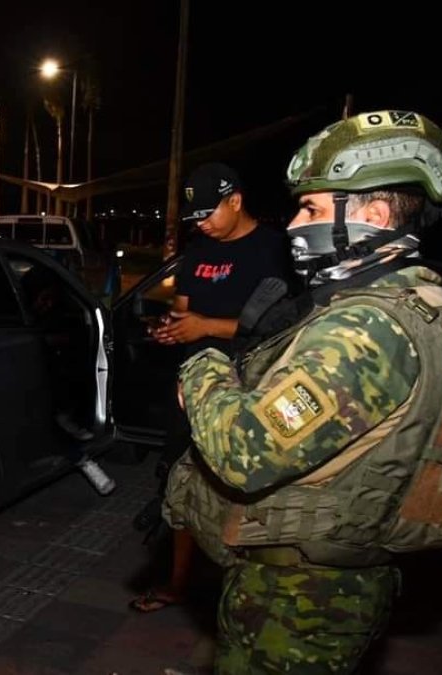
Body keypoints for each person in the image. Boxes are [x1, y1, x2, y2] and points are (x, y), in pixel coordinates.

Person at [165, 110, 442, 673]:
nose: (297, 225)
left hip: (301, 598)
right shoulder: (425, 305)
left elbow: (242, 452)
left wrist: (202, 366)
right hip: (332, 577)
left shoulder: (368, 329)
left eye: (311, 208)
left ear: (372, 216)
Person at [130, 163, 298, 613]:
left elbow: (285, 328)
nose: (200, 223)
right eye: (194, 216)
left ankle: (245, 591)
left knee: (247, 493)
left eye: (208, 212)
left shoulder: (277, 249)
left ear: (236, 200)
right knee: (180, 484)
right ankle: (177, 583)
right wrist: (173, 328)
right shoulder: (199, 252)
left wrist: (206, 326)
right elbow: (185, 311)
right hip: (193, 387)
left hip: (252, 388)